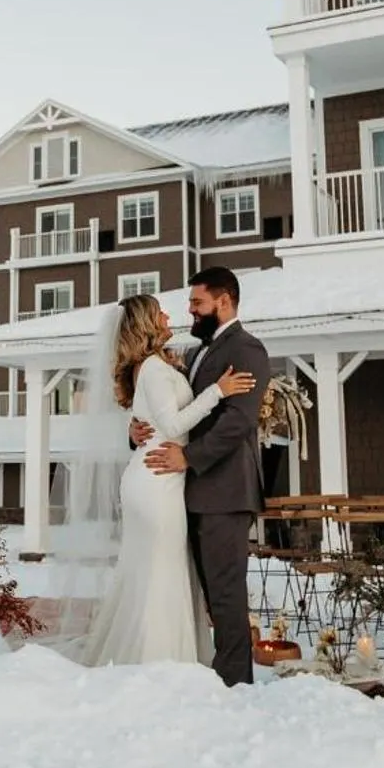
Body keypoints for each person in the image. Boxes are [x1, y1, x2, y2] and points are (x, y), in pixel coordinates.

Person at [78, 293, 254, 668]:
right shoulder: (154, 369)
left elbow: (154, 418)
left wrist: (136, 428)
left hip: (158, 476)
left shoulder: (157, 364)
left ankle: (163, 659)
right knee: (160, 573)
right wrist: (217, 392)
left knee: (154, 570)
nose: (169, 315)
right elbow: (173, 425)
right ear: (147, 322)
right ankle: (156, 664)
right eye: (160, 312)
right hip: (158, 479)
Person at [135, 267, 271, 686]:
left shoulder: (248, 350)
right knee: (204, 596)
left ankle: (234, 686)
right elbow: (174, 414)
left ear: (224, 301)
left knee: (226, 594)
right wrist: (136, 428)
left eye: (197, 303)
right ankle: (208, 678)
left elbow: (238, 421)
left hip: (226, 492)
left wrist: (189, 458)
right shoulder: (194, 355)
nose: (189, 311)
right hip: (188, 494)